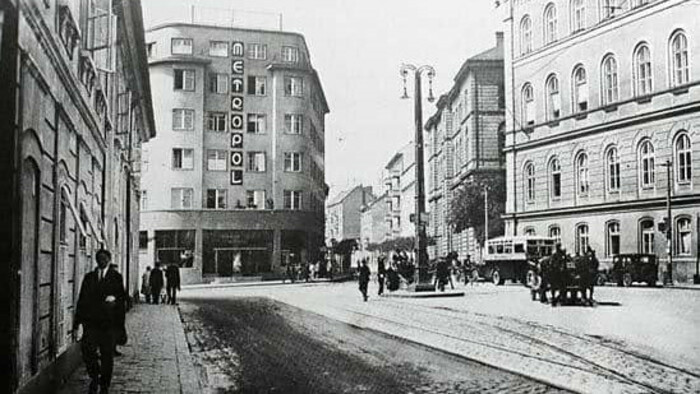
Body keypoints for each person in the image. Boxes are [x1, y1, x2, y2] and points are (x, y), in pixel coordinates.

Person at [75, 249, 126, 394]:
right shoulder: (89, 277)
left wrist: (114, 301)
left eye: (104, 258)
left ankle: (104, 384)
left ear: (109, 260)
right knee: (87, 351)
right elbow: (82, 300)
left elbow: (122, 299)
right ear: (96, 260)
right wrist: (77, 322)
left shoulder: (116, 277)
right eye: (99, 258)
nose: (101, 261)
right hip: (91, 323)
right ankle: (95, 375)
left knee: (107, 355)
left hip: (108, 324)